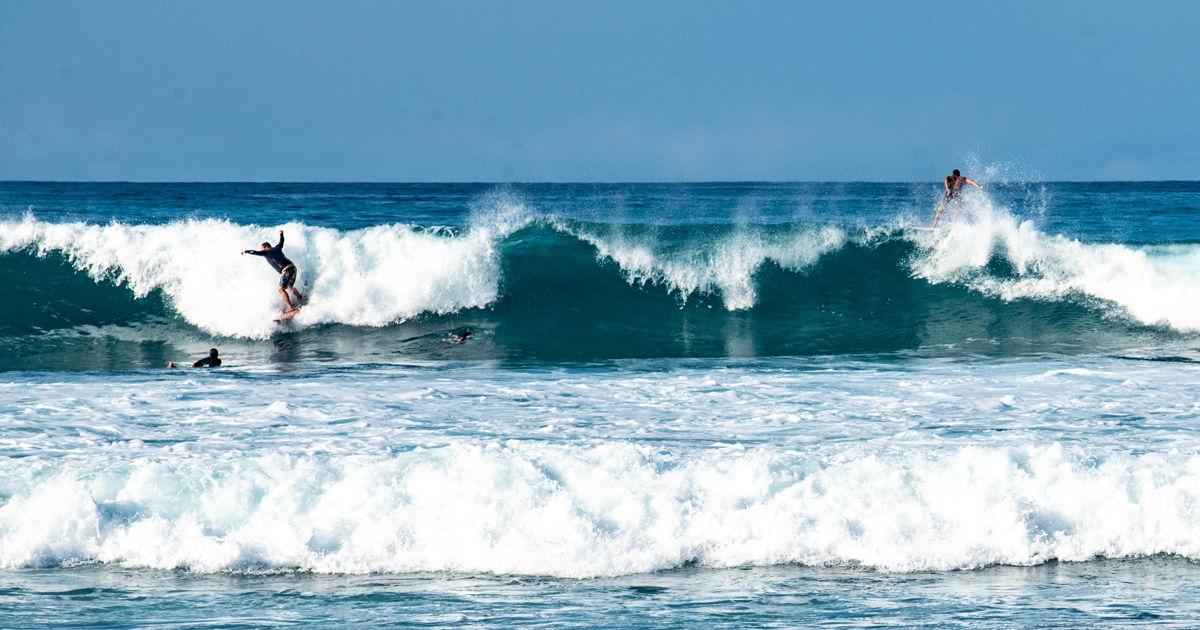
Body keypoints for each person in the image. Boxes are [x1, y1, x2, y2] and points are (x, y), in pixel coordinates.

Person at [243, 230, 305, 311]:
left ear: (265, 247)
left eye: (262, 249)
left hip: (286, 271)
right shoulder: (277, 248)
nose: (262, 251)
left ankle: (289, 307)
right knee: (290, 286)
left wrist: (246, 251)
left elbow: (255, 252)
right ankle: (300, 298)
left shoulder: (266, 252)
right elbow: (281, 241)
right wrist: (281, 234)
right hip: (293, 268)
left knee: (281, 289)